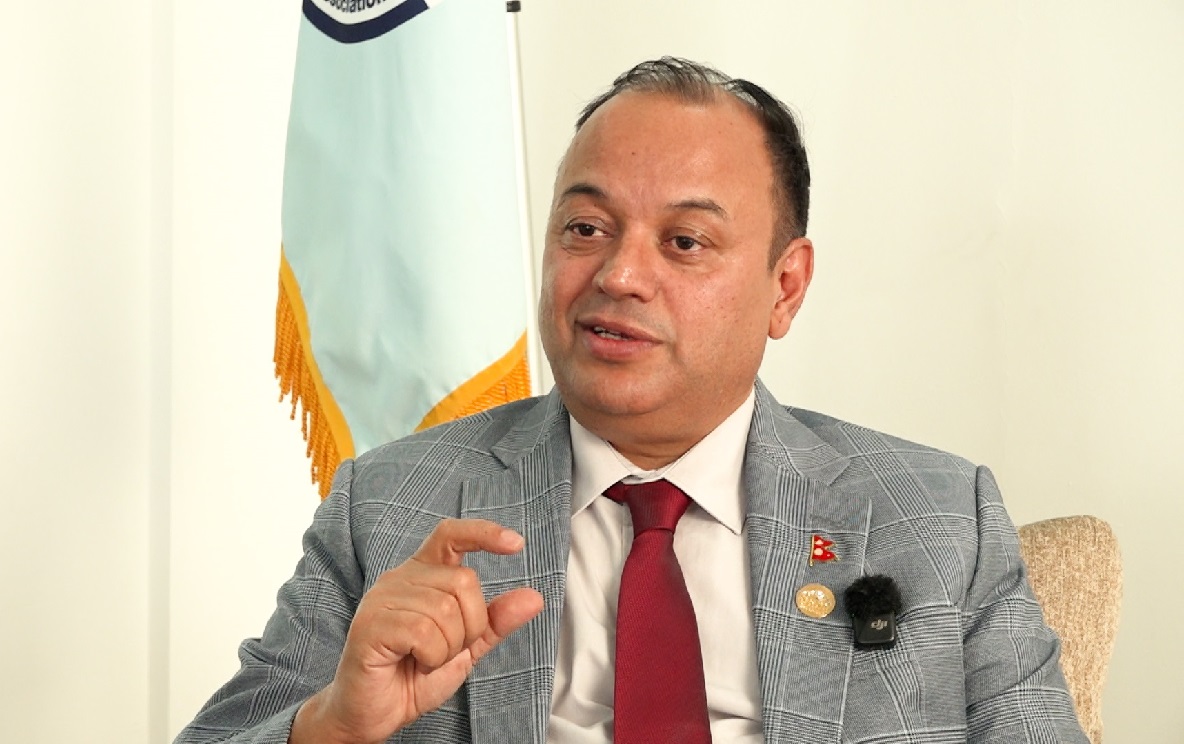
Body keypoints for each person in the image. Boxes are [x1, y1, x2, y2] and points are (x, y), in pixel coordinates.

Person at [176, 58, 1087, 743]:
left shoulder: (940, 519)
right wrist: (333, 725)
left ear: (785, 287)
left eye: (685, 242)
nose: (618, 275)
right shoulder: (391, 506)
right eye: (586, 227)